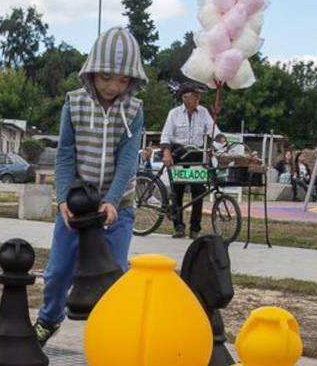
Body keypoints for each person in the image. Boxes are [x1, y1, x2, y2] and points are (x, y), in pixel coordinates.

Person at [34, 26, 148, 343]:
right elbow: (65, 155)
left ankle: (112, 333)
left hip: (118, 206)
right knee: (58, 271)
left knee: (115, 274)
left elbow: (128, 159)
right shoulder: (74, 104)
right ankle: (49, 319)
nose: (113, 87)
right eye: (106, 77)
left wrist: (112, 200)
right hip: (77, 206)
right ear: (92, 72)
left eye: (123, 80)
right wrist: (63, 199)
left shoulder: (134, 110)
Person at [160, 81, 218, 238]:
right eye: (195, 95)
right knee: (177, 191)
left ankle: (195, 228)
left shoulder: (204, 112)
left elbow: (213, 130)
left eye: (199, 95)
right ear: (185, 97)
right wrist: (167, 153)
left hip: (196, 155)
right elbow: (166, 136)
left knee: (198, 191)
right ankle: (178, 226)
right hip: (179, 154)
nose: (198, 98)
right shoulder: (174, 114)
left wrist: (221, 139)